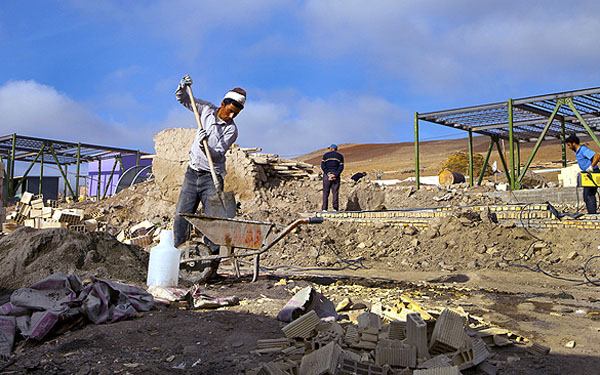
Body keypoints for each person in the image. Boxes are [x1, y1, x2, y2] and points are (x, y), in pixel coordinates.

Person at [173, 74, 246, 248]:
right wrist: (182, 86)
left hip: (211, 179)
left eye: (235, 114)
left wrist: (203, 144)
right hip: (192, 174)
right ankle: (179, 255)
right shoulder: (205, 109)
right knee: (181, 216)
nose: (230, 115)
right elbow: (183, 99)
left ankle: (210, 263)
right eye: (229, 110)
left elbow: (218, 154)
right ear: (222, 104)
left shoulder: (231, 130)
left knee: (215, 221)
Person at [566, 134, 600, 214]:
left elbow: (597, 155)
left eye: (569, 145)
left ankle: (592, 214)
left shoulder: (583, 150)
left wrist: (591, 167)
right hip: (588, 174)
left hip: (592, 173)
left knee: (589, 194)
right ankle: (591, 213)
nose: (569, 148)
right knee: (586, 195)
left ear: (574, 143)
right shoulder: (578, 152)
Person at [321, 144, 344, 211]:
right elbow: (341, 167)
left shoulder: (325, 155)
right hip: (336, 176)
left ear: (331, 149)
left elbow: (323, 166)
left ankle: (324, 209)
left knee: (325, 192)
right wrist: (335, 175)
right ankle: (335, 208)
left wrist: (328, 174)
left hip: (327, 176)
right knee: (335, 192)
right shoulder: (340, 156)